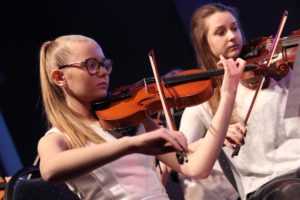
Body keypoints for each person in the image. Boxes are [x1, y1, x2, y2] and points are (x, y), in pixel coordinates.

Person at [37, 34, 246, 199]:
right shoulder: (57, 138)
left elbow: (196, 167)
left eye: (104, 64)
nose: (103, 72)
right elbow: (50, 170)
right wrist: (132, 144)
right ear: (59, 77)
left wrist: (228, 95)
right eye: (91, 65)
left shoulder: (131, 118)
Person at [179, 3, 300, 200]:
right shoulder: (203, 100)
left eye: (234, 28)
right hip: (267, 185)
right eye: (220, 32)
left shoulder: (278, 69)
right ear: (204, 44)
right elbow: (181, 154)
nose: (231, 36)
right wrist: (215, 137)